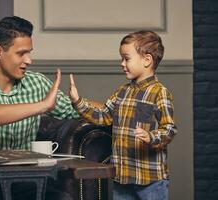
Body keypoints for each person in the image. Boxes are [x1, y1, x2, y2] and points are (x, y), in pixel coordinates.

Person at [0, 16, 78, 200]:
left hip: (25, 180)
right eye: (21, 53)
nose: (29, 60)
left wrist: (118, 105)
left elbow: (77, 111)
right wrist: (42, 106)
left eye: (29, 53)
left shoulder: (36, 82)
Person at [69, 30, 177, 200]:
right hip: (122, 177)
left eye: (127, 59)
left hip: (151, 180)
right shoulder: (122, 92)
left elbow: (169, 129)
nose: (122, 63)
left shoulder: (160, 93)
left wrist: (151, 136)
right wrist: (78, 101)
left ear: (147, 60)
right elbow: (103, 116)